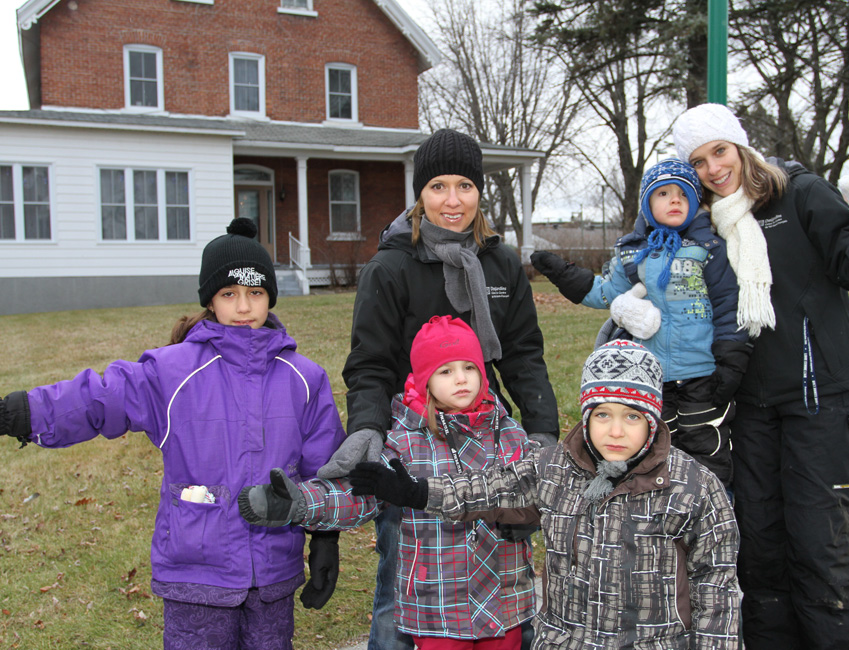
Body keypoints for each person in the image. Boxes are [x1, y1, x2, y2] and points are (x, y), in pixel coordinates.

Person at [0, 218, 346, 650]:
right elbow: (101, 398)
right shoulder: (173, 373)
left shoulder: (304, 378)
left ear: (269, 297)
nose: (244, 307)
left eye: (255, 293)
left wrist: (326, 539)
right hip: (195, 572)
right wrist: (22, 413)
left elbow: (324, 468)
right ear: (210, 300)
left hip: (273, 573)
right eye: (229, 294)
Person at [315, 128, 560, 650]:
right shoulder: (391, 267)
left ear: (480, 192)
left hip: (486, 441)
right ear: (420, 193)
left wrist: (542, 433)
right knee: (402, 585)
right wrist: (368, 429)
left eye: (465, 186)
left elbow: (523, 355)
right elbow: (370, 364)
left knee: (502, 575)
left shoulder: (500, 263)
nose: (453, 201)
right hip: (415, 448)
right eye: (438, 187)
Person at [672, 102, 849, 650]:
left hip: (822, 402)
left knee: (826, 554)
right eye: (699, 161)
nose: (713, 169)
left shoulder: (798, 193)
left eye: (719, 151)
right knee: (762, 556)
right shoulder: (705, 226)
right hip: (750, 411)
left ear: (740, 146)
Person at [345, 340, 740, 649]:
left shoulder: (693, 488)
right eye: (603, 414)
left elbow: (716, 589)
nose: (616, 431)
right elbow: (489, 488)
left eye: (632, 416)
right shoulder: (555, 468)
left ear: (652, 420)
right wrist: (417, 492)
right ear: (586, 416)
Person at [239, 314, 537, 650]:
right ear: (424, 380)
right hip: (437, 603)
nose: (461, 379)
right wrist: (302, 503)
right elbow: (359, 491)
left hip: (505, 597)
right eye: (445, 371)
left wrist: (528, 516)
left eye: (469, 367)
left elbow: (536, 487)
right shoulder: (407, 442)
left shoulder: (509, 434)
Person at [530, 158, 749, 488]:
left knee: (705, 444)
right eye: (663, 193)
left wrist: (731, 359)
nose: (674, 200)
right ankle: (654, 509)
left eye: (683, 194)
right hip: (649, 376)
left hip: (703, 373)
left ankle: (712, 507)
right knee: (655, 446)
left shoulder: (709, 249)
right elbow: (606, 293)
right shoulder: (632, 253)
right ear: (647, 203)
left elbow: (729, 306)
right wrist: (564, 274)